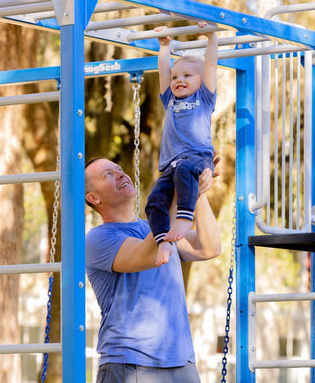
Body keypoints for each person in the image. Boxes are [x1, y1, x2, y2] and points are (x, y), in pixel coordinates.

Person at [85, 157, 221, 383]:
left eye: (119, 168)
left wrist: (197, 192)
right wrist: (180, 186)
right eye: (108, 174)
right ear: (93, 197)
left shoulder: (152, 227)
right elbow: (148, 254)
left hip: (181, 361)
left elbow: (209, 247)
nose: (120, 173)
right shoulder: (97, 239)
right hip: (131, 362)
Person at [145, 22, 219, 266]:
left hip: (197, 157)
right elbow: (163, 71)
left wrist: (211, 39)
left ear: (201, 80)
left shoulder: (204, 98)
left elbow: (210, 64)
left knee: (186, 170)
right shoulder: (169, 100)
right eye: (176, 77)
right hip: (171, 165)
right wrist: (165, 47)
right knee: (155, 201)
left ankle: (186, 218)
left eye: (188, 75)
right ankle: (162, 242)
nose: (179, 80)